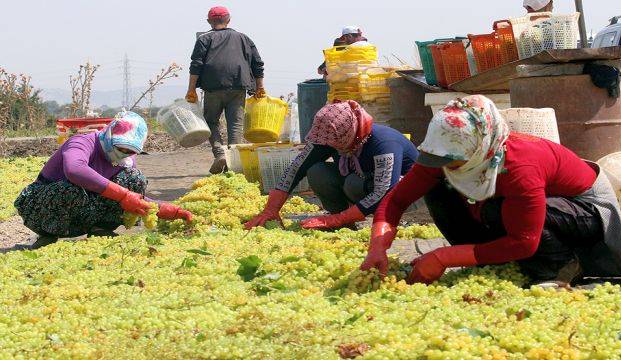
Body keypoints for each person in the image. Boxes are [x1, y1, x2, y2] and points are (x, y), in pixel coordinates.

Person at [361, 95, 621, 285]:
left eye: (455, 162)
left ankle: (560, 266)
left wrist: (444, 257)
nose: (448, 167)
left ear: (480, 149)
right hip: (526, 212)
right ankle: (484, 256)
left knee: (497, 209)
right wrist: (378, 247)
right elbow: (397, 200)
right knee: (438, 190)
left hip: (584, 211)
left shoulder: (519, 166)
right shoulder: (445, 153)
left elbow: (525, 240)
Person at [14, 112, 192, 249]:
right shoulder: (82, 143)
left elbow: (133, 198)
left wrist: (162, 209)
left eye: (129, 151)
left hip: (82, 210)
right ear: (108, 134)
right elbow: (75, 170)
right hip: (41, 206)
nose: (123, 153)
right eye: (119, 147)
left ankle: (100, 228)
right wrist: (123, 196)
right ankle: (47, 234)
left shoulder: (125, 159)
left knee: (134, 179)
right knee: (70, 189)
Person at [245, 100, 418, 230]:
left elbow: (383, 190)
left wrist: (337, 219)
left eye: (335, 143)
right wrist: (271, 210)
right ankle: (344, 222)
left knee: (352, 183)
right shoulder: (328, 137)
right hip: (365, 184)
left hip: (406, 196)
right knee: (317, 171)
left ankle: (368, 220)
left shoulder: (384, 143)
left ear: (349, 136)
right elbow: (297, 167)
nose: (330, 146)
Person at [186, 6, 265, 174]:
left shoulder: (204, 39)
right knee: (235, 125)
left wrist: (191, 89)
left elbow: (196, 65)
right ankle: (233, 163)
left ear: (209, 22)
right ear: (229, 20)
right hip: (238, 87)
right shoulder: (243, 38)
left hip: (213, 88)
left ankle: (220, 153)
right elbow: (258, 64)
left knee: (210, 121)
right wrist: (260, 87)